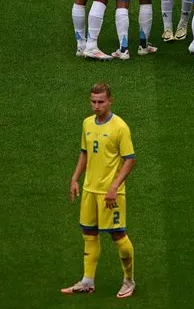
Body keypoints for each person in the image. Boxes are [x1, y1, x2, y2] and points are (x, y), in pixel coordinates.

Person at [61, 83, 137, 298]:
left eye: (101, 101)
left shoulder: (120, 127)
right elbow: (84, 153)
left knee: (118, 234)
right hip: (89, 189)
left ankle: (129, 280)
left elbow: (130, 160)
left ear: (110, 101)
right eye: (93, 101)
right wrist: (75, 178)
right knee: (89, 233)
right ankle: (87, 281)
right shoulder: (87, 123)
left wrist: (114, 187)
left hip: (110, 193)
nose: (96, 106)